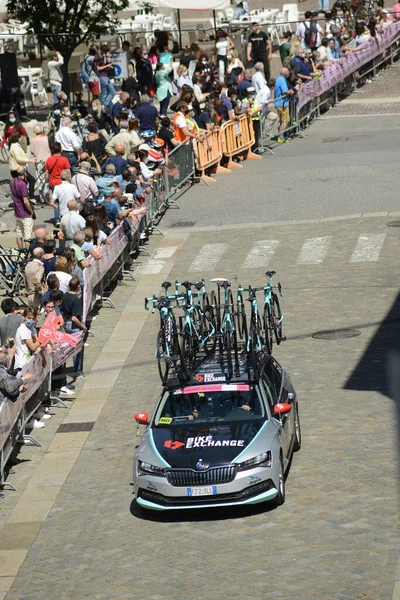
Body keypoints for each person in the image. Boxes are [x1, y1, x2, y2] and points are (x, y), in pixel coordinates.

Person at [61, 276, 87, 378]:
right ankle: (78, 371)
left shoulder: (65, 296)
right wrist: (83, 327)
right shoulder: (76, 300)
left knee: (66, 348)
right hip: (74, 326)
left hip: (65, 323)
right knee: (76, 350)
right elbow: (74, 318)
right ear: (77, 287)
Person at [10, 167, 34, 249]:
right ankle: (27, 254)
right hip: (25, 214)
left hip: (17, 212)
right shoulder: (22, 184)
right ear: (24, 173)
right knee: (27, 237)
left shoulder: (12, 181)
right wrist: (31, 211)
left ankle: (21, 252)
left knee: (19, 234)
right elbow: (25, 201)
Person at [9, 132, 36, 199]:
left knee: (25, 182)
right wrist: (30, 160)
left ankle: (27, 197)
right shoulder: (15, 147)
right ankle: (31, 198)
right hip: (18, 169)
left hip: (19, 168)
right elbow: (18, 159)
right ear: (17, 138)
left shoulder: (15, 145)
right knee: (32, 180)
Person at [14, 308, 42, 372]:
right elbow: (33, 347)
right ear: (24, 317)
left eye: (33, 318)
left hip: (28, 362)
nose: (31, 320)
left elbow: (36, 342)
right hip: (21, 364)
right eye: (29, 318)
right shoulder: (23, 329)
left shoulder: (32, 329)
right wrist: (43, 339)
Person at [274, 68, 294, 144]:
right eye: (288, 72)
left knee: (281, 120)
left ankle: (280, 135)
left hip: (278, 103)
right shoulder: (282, 80)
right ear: (286, 73)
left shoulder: (279, 78)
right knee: (285, 120)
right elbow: (285, 92)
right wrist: (291, 91)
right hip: (282, 103)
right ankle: (281, 136)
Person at [96, 44, 116, 109]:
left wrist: (108, 57)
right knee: (103, 95)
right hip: (101, 76)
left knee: (113, 92)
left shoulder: (103, 56)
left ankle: (104, 105)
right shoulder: (98, 57)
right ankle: (102, 106)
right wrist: (107, 66)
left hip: (106, 76)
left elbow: (109, 63)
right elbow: (97, 68)